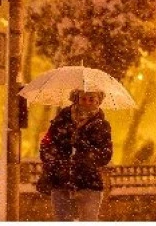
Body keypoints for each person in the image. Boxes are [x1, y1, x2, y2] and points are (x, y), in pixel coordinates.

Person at [39, 89, 113, 221]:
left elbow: (105, 155)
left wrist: (85, 149)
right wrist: (56, 160)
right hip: (61, 181)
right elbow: (46, 146)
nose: (87, 103)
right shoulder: (61, 120)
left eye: (91, 99)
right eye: (83, 99)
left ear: (98, 102)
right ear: (76, 99)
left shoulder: (102, 126)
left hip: (89, 183)